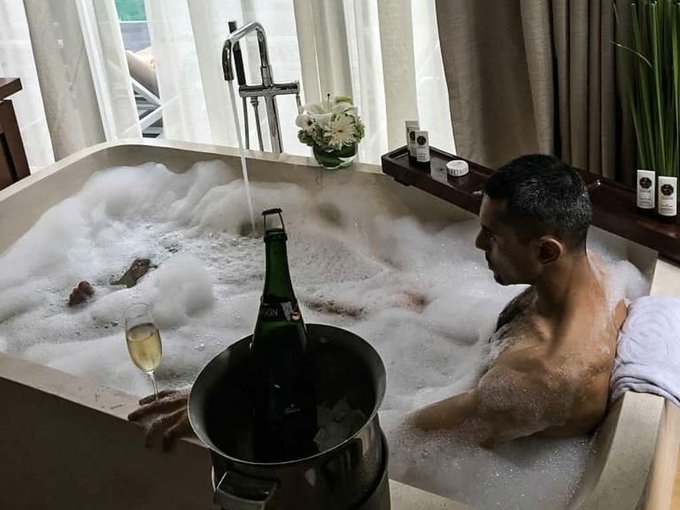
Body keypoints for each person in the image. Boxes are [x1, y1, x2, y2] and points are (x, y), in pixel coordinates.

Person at [128, 154, 627, 449]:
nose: (478, 244)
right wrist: (385, 305)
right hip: (459, 361)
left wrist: (233, 405)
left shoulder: (541, 379)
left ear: (546, 251)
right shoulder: (591, 275)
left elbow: (401, 437)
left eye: (492, 236)